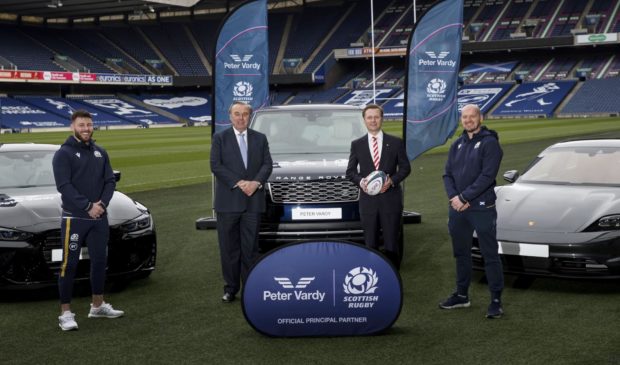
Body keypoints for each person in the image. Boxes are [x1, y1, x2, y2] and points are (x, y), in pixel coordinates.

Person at [52, 110, 124, 331]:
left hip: (99, 218)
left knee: (100, 261)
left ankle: (97, 305)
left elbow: (110, 180)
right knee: (69, 264)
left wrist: (101, 205)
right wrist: (87, 206)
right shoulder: (63, 154)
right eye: (81, 125)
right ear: (72, 126)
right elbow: (64, 186)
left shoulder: (100, 152)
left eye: (89, 125)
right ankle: (65, 313)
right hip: (75, 218)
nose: (86, 129)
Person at [440, 104, 504, 319]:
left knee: (489, 254)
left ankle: (496, 300)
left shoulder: (490, 143)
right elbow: (447, 174)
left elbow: (487, 177)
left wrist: (464, 197)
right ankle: (462, 295)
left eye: (472, 116)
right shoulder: (457, 144)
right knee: (461, 253)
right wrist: (454, 198)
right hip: (458, 209)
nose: (468, 120)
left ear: (481, 117)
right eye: (464, 117)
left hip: (481, 208)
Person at [210, 101, 273, 303]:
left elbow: (267, 164)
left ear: (249, 116)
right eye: (237, 114)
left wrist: (255, 183)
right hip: (228, 203)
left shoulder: (260, 138)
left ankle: (250, 286)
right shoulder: (220, 138)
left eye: (245, 114)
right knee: (229, 249)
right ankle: (231, 288)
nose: (240, 118)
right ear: (230, 116)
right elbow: (216, 166)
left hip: (253, 202)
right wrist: (239, 183)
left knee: (251, 248)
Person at [346, 104, 411, 269]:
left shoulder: (396, 142)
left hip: (391, 200)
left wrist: (392, 181)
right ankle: (373, 274)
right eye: (369, 117)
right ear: (364, 120)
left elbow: (405, 168)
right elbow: (350, 172)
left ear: (382, 118)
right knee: (370, 243)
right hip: (368, 202)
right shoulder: (357, 144)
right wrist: (362, 182)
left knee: (391, 242)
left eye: (376, 117)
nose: (373, 120)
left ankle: (393, 276)